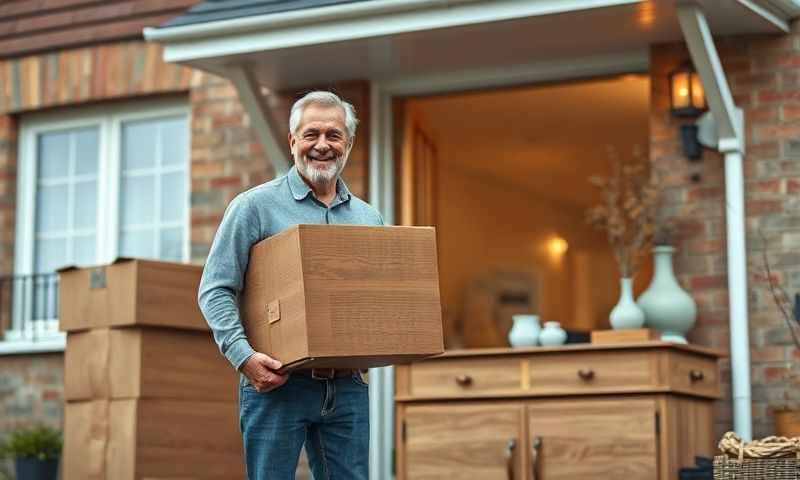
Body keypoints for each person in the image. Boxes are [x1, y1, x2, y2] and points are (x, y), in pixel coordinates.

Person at [198, 91, 382, 480]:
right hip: (277, 385)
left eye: (334, 135)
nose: (322, 145)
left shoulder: (368, 217)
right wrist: (243, 356)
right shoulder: (254, 207)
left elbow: (373, 297)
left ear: (348, 144)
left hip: (346, 388)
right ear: (292, 141)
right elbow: (215, 289)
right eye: (311, 133)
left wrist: (372, 343)